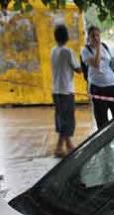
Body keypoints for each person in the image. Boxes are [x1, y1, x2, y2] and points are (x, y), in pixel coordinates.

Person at [81, 25, 114, 129]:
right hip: (97, 89)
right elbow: (96, 64)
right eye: (93, 36)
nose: (96, 38)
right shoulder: (85, 51)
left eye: (97, 35)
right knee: (102, 121)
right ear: (88, 38)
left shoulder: (106, 47)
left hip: (113, 87)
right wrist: (98, 48)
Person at [51, 24, 81, 157]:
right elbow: (78, 69)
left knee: (61, 117)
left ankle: (68, 144)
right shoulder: (68, 52)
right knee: (67, 119)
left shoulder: (53, 51)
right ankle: (59, 147)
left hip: (56, 90)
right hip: (66, 90)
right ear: (67, 37)